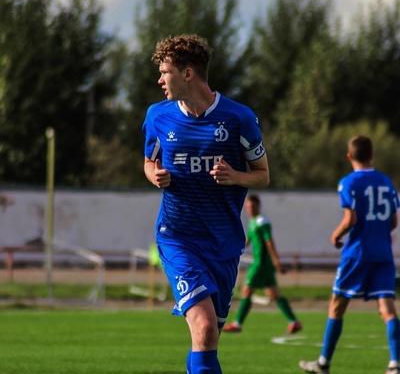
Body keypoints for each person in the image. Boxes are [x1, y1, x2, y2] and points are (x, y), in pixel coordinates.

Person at [142, 34, 270, 374]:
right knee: (205, 328)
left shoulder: (239, 118)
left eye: (165, 72)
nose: (159, 80)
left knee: (207, 338)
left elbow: (262, 176)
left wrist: (235, 176)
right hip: (178, 238)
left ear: (187, 74)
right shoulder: (158, 116)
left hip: (223, 244)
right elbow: (149, 162)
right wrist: (155, 175)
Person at [299, 135, 400, 374]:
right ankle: (395, 364)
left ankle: (323, 364)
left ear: (349, 156)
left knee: (337, 306)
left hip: (357, 253)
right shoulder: (386, 181)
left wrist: (336, 235)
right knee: (388, 309)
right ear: (371, 154)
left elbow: (351, 219)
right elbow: (394, 221)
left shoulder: (349, 182)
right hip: (383, 254)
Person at [223, 193, 302, 334]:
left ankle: (238, 323)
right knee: (274, 295)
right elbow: (247, 241)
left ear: (259, 206)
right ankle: (294, 322)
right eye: (248, 207)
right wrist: (231, 249)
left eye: (253, 206)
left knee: (246, 291)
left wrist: (277, 261)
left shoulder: (262, 222)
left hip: (261, 263)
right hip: (265, 265)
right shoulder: (253, 223)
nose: (250, 209)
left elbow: (269, 241)